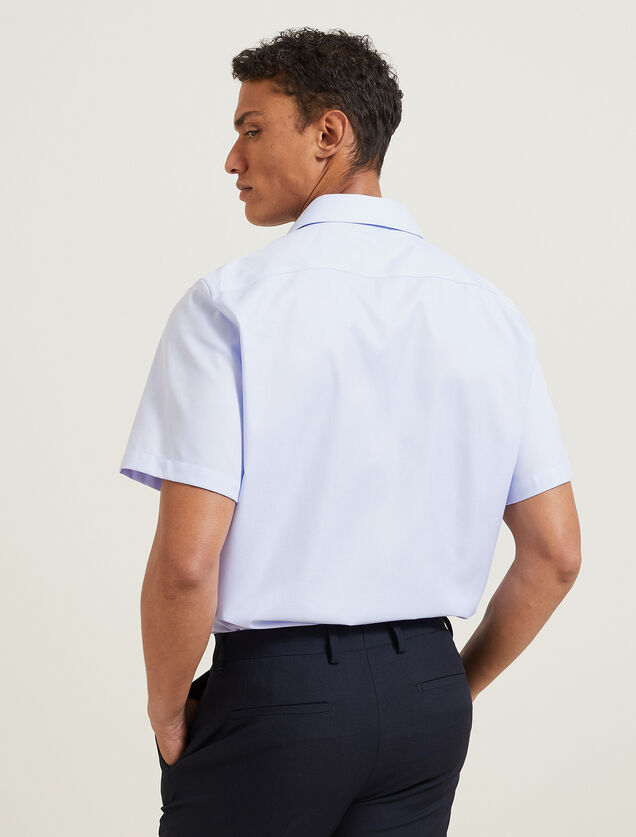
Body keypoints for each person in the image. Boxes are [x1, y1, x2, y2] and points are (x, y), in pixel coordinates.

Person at [119, 26, 581, 837]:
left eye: (252, 129)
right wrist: (446, 685)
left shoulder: (230, 306)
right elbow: (556, 551)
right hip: (426, 702)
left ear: (329, 133)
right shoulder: (489, 311)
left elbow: (188, 563)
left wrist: (165, 708)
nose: (232, 159)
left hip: (277, 701)